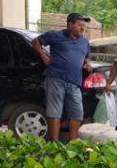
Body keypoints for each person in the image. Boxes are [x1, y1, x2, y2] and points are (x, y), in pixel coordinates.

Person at [32, 12, 92, 142]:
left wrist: (87, 63)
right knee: (55, 113)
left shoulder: (84, 41)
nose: (83, 28)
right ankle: (55, 144)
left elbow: (86, 57)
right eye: (80, 25)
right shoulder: (55, 35)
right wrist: (44, 57)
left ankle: (72, 145)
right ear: (70, 24)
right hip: (56, 79)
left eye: (84, 26)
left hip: (75, 82)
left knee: (77, 114)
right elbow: (36, 41)